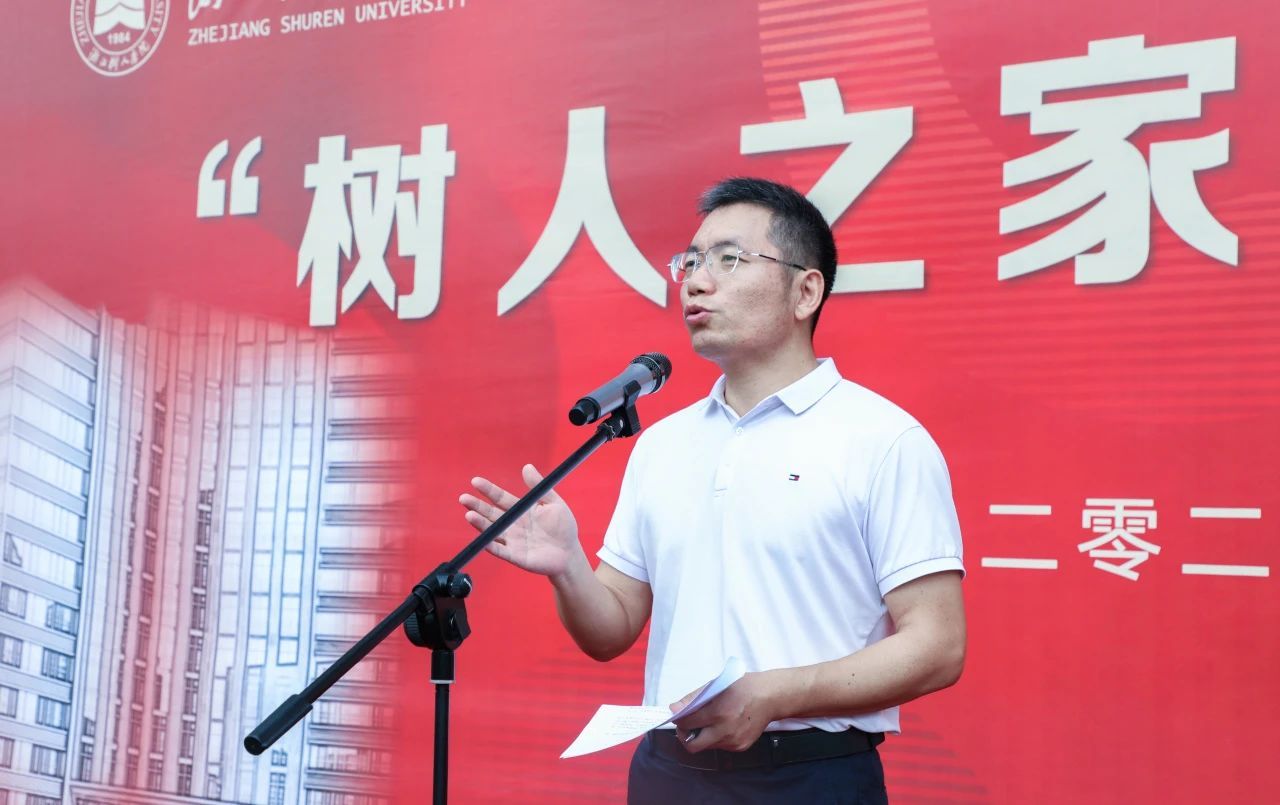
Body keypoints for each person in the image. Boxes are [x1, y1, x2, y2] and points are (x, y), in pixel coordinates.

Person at [460, 177, 965, 803]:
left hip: (811, 776)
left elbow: (937, 646)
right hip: (668, 773)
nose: (697, 282)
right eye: (691, 262)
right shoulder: (663, 444)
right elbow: (610, 631)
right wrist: (568, 569)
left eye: (729, 259)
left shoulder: (882, 438)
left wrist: (776, 694)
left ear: (805, 291)